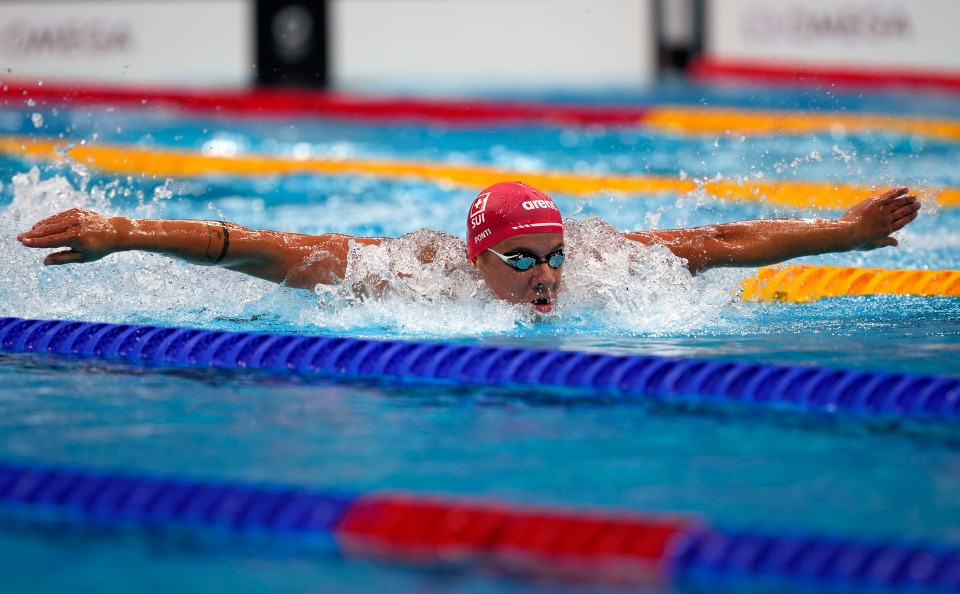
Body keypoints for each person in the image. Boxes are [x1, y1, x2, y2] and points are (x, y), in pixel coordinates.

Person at [17, 182, 920, 314]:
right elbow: (251, 245)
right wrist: (123, 232)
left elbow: (720, 241)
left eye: (552, 255)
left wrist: (843, 233)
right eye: (522, 261)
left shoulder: (603, 265)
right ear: (477, 257)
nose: (548, 277)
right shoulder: (408, 276)